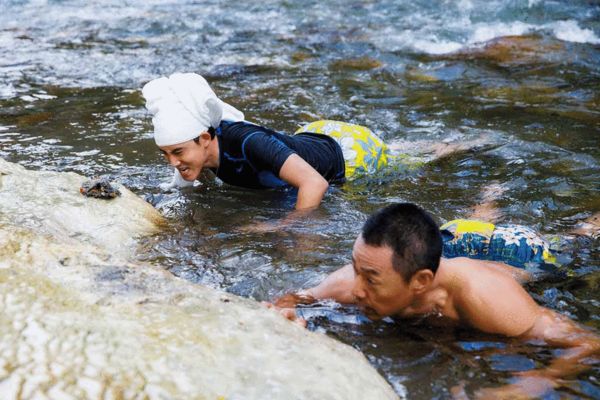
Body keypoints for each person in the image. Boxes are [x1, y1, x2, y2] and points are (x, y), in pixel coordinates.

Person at [271, 203, 599, 398]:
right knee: (466, 226)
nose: (356, 290)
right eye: (356, 269)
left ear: (421, 282)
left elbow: (586, 342)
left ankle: (588, 226)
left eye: (369, 279)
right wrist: (284, 317)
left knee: (572, 246)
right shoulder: (363, 274)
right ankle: (486, 203)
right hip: (446, 242)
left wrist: (537, 381)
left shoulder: (489, 300)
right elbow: (291, 301)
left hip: (512, 252)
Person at [142, 73, 487, 212]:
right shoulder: (201, 153)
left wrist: (293, 228)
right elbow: (182, 193)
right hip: (311, 138)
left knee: (409, 164)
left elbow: (314, 183)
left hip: (350, 154)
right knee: (397, 150)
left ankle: (454, 146)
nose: (173, 162)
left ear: (205, 138)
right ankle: (418, 146)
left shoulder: (249, 142)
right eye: (166, 154)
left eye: (178, 152)